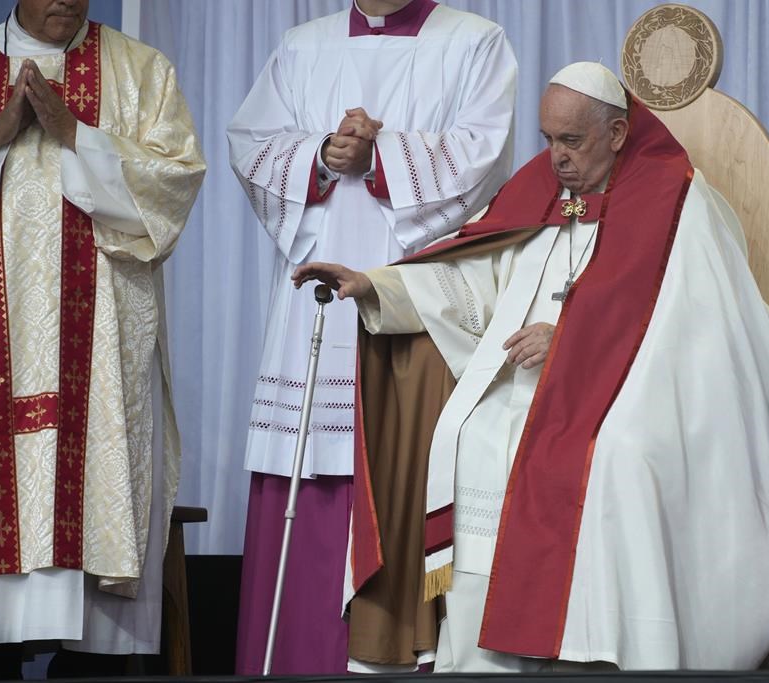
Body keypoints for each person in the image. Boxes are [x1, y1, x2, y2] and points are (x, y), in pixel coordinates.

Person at [293, 62, 769, 672]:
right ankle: (485, 659)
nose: (556, 157)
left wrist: (575, 340)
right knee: (468, 433)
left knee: (616, 457)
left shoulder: (680, 202)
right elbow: (477, 276)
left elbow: (710, 327)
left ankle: (609, 651)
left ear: (615, 133)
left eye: (571, 141)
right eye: (548, 139)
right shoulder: (545, 194)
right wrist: (375, 285)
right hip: (524, 389)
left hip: (637, 393)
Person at [226, 0, 516, 674]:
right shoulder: (302, 46)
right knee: (311, 465)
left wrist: (381, 155)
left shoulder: (476, 42)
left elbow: (485, 156)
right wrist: (325, 158)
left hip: (413, 303)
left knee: (406, 463)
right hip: (315, 307)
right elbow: (251, 144)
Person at [0, 0, 205, 678]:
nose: (66, 3)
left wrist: (75, 133)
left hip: (104, 349)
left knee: (96, 650)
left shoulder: (142, 71)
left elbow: (173, 187)